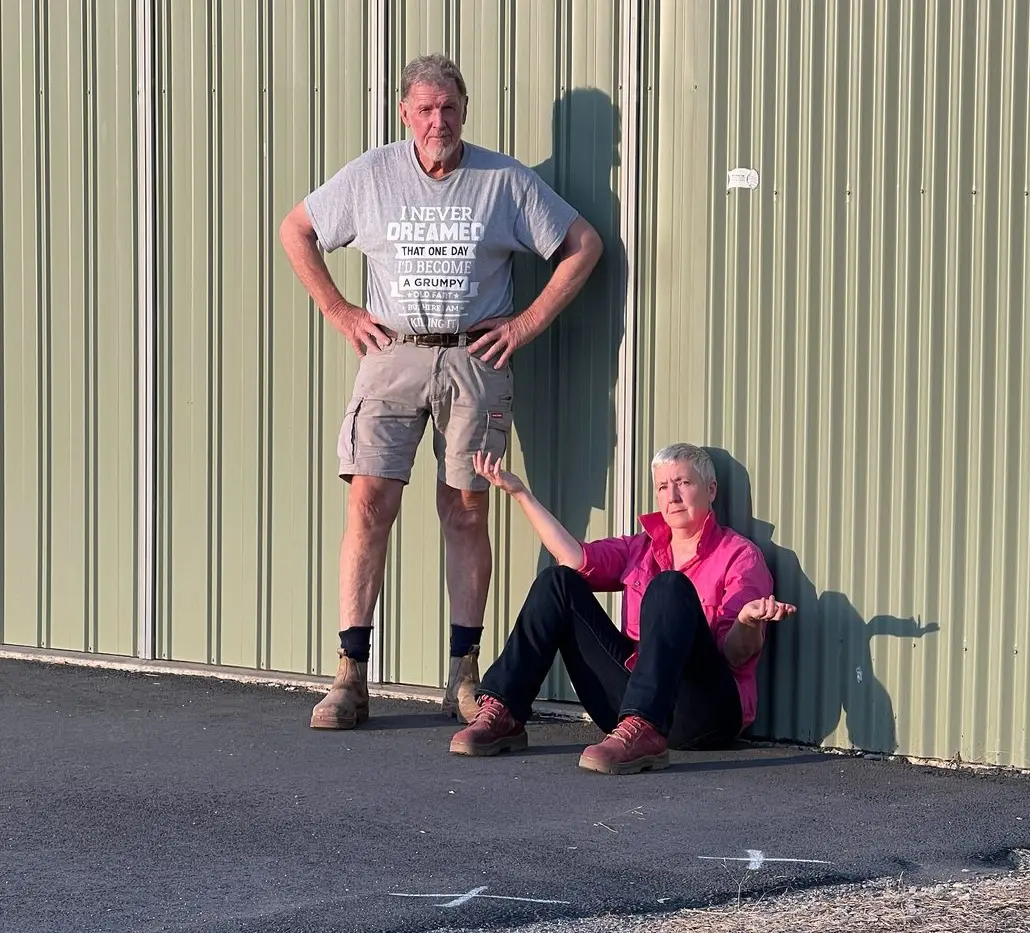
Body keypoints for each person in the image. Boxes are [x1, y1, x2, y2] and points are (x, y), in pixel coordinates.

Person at [278, 54, 604, 730]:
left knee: (464, 510)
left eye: (448, 107)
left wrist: (526, 323)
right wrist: (340, 310)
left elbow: (583, 244)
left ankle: (464, 673)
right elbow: (297, 229)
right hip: (391, 353)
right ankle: (350, 675)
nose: (437, 120)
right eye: (424, 109)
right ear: (405, 114)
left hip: (472, 362)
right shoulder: (372, 175)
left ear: (466, 108)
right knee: (369, 504)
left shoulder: (502, 180)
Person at [451, 443, 795, 774]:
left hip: (704, 715)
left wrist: (748, 622)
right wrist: (521, 494)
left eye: (684, 483)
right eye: (663, 487)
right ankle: (505, 713)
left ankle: (645, 728)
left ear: (711, 489)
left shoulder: (740, 556)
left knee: (669, 586)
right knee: (558, 582)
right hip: (628, 709)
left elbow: (735, 656)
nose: (672, 496)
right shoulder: (640, 548)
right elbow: (573, 558)